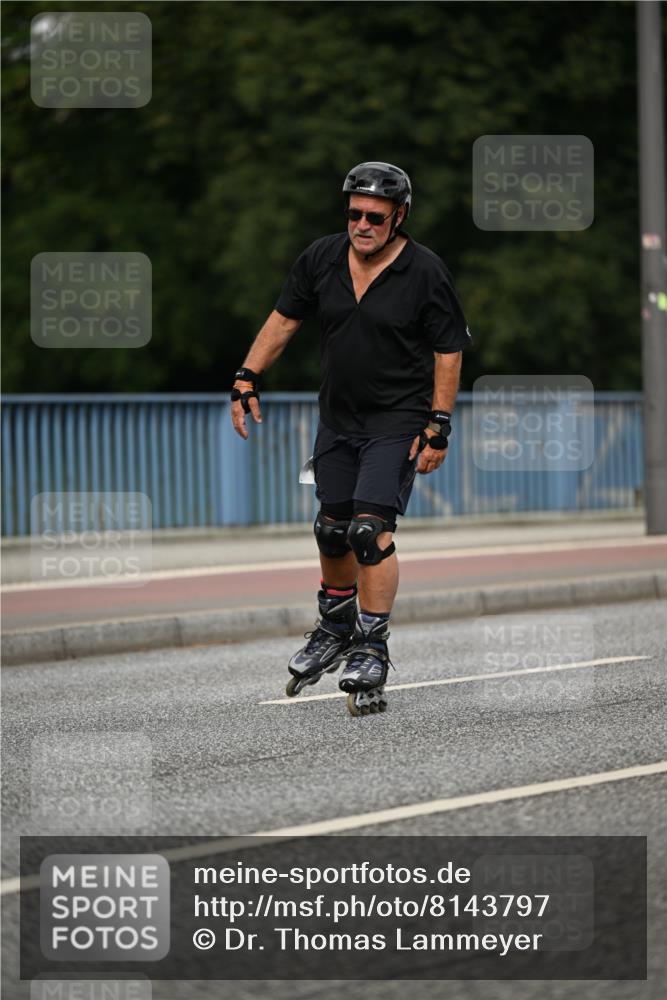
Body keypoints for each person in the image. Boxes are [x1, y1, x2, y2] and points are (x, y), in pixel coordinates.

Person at [230, 161, 470, 716]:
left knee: (368, 530)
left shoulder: (425, 271)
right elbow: (284, 319)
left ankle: (372, 645)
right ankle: (335, 625)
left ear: (399, 216)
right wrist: (246, 378)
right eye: (355, 214)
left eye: (375, 217)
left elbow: (448, 349)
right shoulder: (321, 258)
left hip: (398, 421)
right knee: (331, 529)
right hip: (337, 419)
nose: (362, 225)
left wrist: (439, 425)